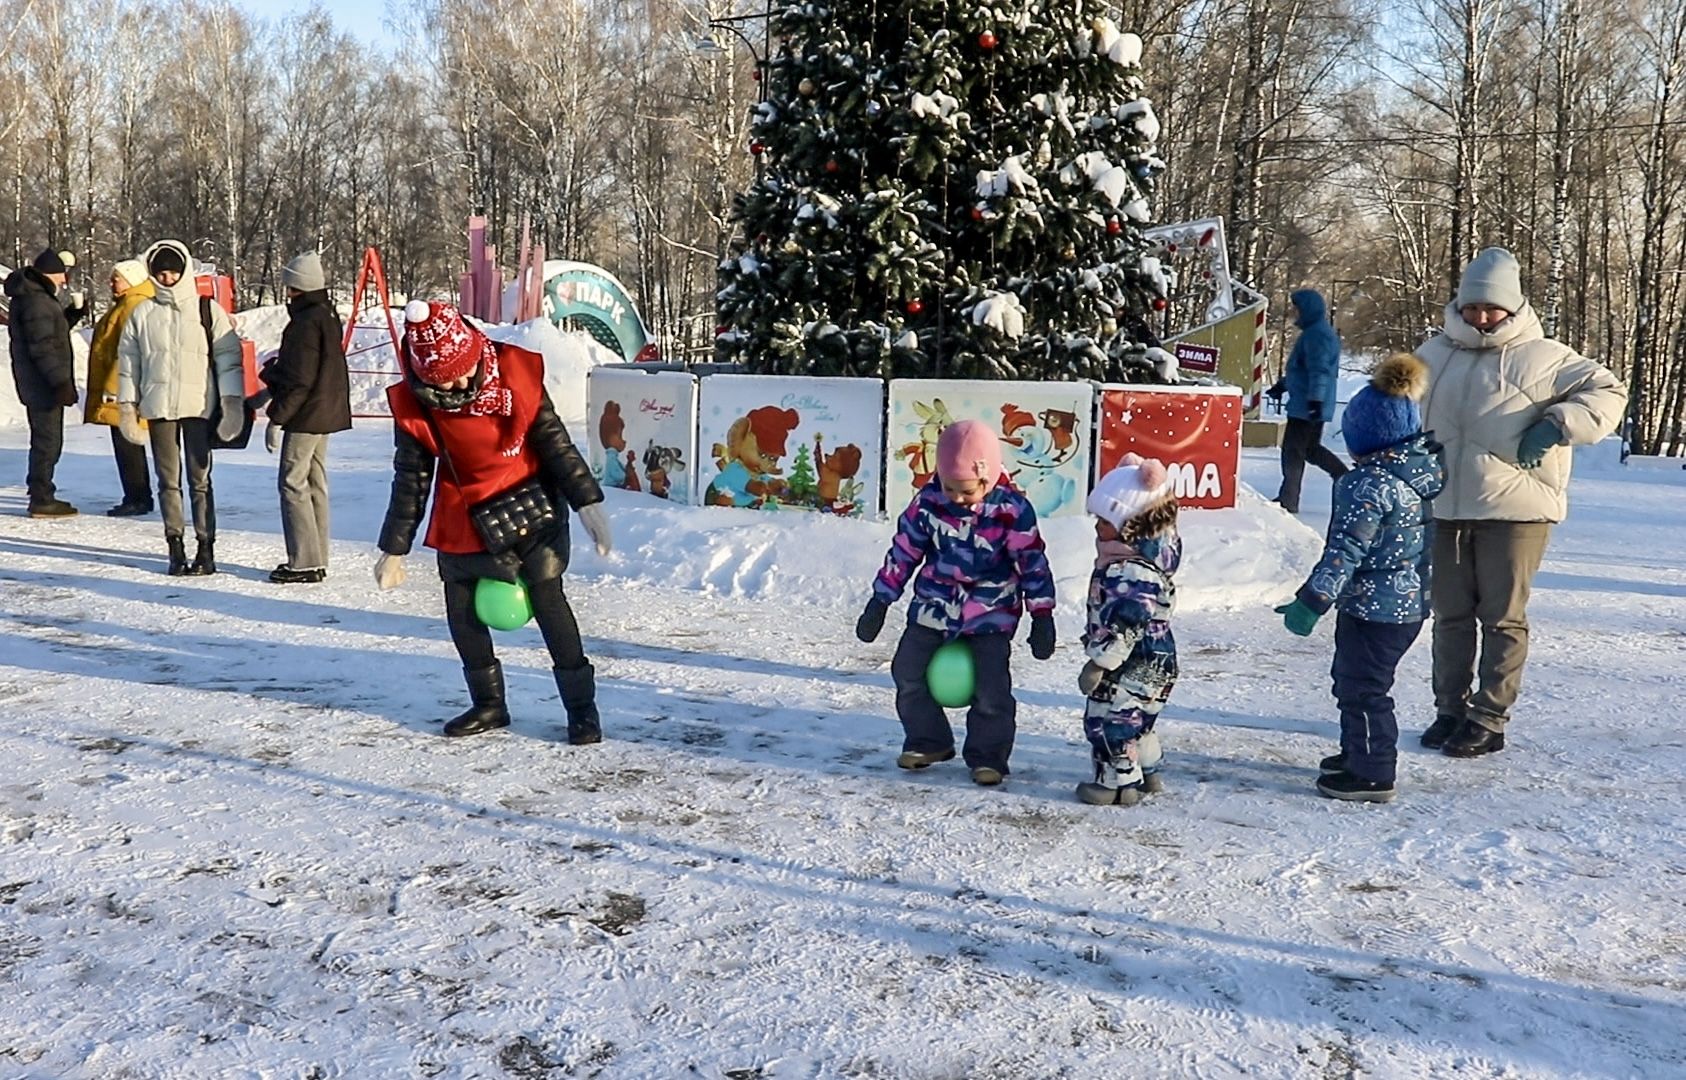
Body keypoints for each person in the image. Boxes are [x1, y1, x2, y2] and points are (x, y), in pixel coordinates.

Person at [1415, 247, 1627, 758]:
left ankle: (1488, 716)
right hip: (1442, 505)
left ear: (1512, 308)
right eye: (1473, 306)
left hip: (1517, 510)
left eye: (1493, 308)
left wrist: (1558, 424)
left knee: (1502, 616)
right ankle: (1450, 709)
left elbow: (1609, 392)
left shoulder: (1547, 356)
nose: (1481, 317)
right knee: (1448, 615)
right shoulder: (1433, 353)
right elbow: (1393, 403)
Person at [374, 299, 613, 743]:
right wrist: (395, 547)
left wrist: (587, 503)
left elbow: (554, 442)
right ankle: (489, 705)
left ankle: (582, 710)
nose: (459, 385)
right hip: (463, 509)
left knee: (549, 603)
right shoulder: (415, 403)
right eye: (444, 382)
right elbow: (412, 477)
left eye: (463, 372)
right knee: (462, 611)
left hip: (529, 503)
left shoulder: (514, 374)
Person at [1276, 355, 1444, 803]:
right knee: (1354, 679)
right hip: (1403, 605)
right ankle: (1358, 751)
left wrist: (1311, 601)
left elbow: (1345, 550)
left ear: (1366, 437)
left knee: (1364, 686)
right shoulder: (1413, 473)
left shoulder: (1367, 484)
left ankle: (1372, 771)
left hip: (1376, 608)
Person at [854, 419, 1057, 787]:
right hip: (935, 605)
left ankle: (988, 756)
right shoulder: (928, 503)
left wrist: (1042, 614)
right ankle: (928, 740)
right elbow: (903, 552)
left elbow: (1032, 562)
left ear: (989, 476)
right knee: (906, 670)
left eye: (966, 491)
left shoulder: (1011, 509)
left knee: (991, 690)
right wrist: (880, 601)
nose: (957, 498)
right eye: (949, 488)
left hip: (990, 613)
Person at [116, 239, 245, 575]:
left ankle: (206, 548)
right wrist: (127, 405)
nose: (169, 278)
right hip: (158, 408)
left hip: (198, 406)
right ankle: (175, 545)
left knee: (200, 480)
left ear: (185, 270)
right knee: (167, 481)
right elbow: (129, 364)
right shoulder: (142, 313)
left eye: (174, 271)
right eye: (162, 273)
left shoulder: (207, 309)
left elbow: (229, 359)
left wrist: (232, 403)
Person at [1076, 454, 1180, 806]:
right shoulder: (1147, 561)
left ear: (1130, 524)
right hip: (1158, 659)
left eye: (1104, 521)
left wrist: (1099, 663)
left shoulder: (1129, 570)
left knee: (1108, 719)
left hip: (1130, 663)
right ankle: (1149, 772)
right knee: (1140, 721)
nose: (1096, 527)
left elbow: (1127, 621)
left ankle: (1115, 784)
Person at [261, 251, 351, 584]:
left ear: (297, 285)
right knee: (314, 482)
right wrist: (273, 376)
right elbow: (304, 370)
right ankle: (316, 557)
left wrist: (278, 418)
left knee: (292, 483)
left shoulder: (303, 323)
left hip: (307, 414)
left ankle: (302, 561)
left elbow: (299, 380)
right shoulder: (326, 315)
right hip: (325, 410)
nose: (286, 292)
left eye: (289, 285)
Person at [4, 248, 85, 517]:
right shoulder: (37, 301)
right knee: (48, 441)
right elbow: (44, 346)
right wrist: (60, 382)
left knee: (46, 439)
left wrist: (71, 316)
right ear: (52, 273)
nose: (64, 282)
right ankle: (41, 496)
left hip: (36, 382)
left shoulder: (33, 297)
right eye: (62, 275)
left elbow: (49, 332)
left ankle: (40, 490)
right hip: (42, 384)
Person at [85, 259, 156, 516]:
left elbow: (127, 351)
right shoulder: (128, 303)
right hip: (125, 386)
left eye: (117, 278)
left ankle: (137, 497)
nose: (111, 282)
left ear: (132, 279)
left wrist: (113, 386)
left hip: (125, 389)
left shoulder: (133, 305)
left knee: (128, 443)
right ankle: (137, 495)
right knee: (127, 442)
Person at [1266, 288, 1347, 513]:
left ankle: (1289, 500)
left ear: (1307, 309)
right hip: (1309, 402)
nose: (1294, 312)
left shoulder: (1317, 335)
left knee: (1293, 451)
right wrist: (1282, 385)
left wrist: (1315, 400)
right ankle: (1343, 476)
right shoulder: (1316, 332)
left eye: (1297, 308)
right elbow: (1302, 370)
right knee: (1310, 449)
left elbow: (1319, 370)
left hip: (1306, 406)